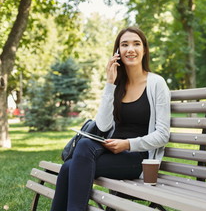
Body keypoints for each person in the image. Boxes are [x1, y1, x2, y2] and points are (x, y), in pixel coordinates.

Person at [51, 27, 171, 211]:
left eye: (136, 44)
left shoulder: (156, 83)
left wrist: (127, 144)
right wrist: (110, 83)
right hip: (111, 152)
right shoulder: (117, 85)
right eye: (124, 45)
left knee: (69, 167)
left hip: (138, 159)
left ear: (144, 50)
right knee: (82, 147)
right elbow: (103, 125)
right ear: (117, 52)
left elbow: (162, 135)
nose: (130, 49)